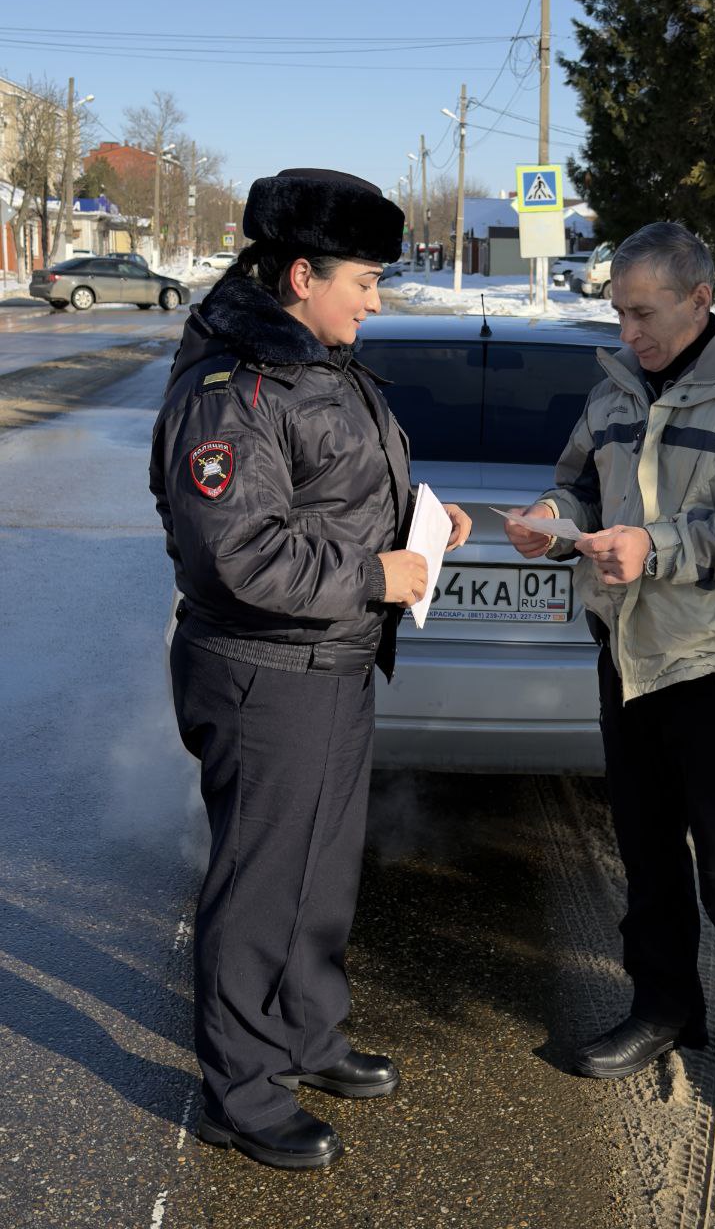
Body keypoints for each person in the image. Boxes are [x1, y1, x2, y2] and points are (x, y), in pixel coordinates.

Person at [150, 168, 471, 1170]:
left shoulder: (319, 364)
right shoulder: (232, 386)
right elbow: (234, 551)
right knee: (260, 884)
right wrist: (373, 569)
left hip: (330, 658)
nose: (376, 302)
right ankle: (241, 1088)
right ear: (301, 273)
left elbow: (337, 486)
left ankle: (304, 1034)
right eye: (366, 282)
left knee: (322, 872)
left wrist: (425, 519)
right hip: (262, 670)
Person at [504, 222, 715, 1119]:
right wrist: (547, 512)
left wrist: (657, 547)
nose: (628, 332)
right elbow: (578, 483)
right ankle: (662, 1007)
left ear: (698, 299)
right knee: (645, 851)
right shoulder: (612, 389)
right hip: (627, 651)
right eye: (617, 313)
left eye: (643, 314)